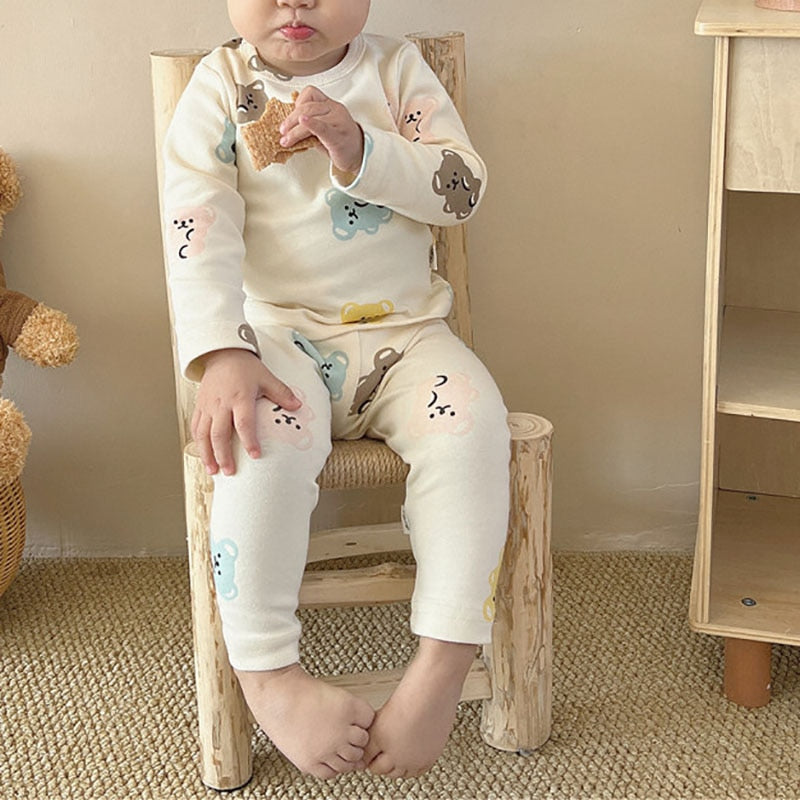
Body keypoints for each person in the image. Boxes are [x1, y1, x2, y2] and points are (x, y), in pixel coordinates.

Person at [162, 0, 510, 781]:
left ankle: (442, 667)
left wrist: (362, 149)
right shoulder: (221, 86)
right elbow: (195, 224)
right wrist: (221, 352)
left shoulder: (397, 71)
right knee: (253, 444)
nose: (296, 1)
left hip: (409, 335)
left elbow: (460, 192)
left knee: (475, 429)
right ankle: (269, 677)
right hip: (277, 341)